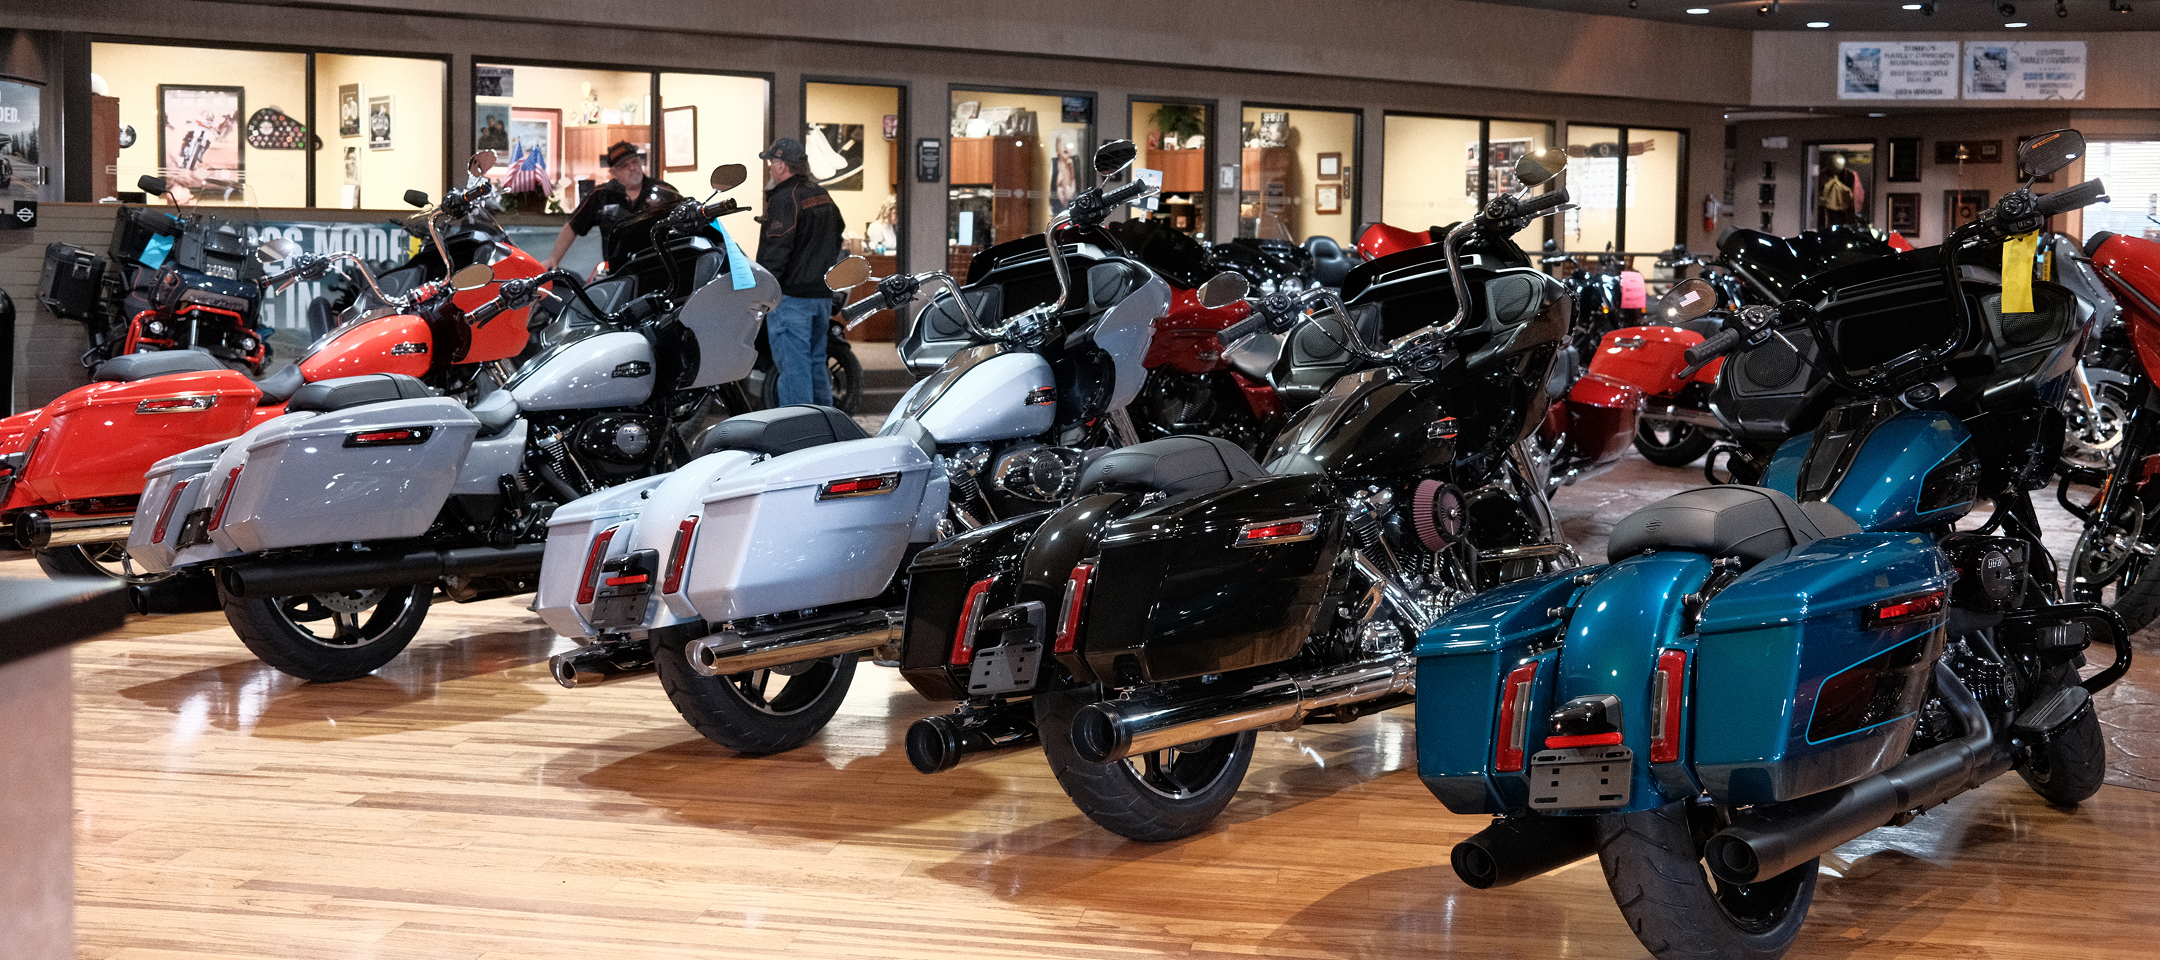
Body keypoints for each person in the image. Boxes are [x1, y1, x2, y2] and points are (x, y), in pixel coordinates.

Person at [756, 137, 845, 407]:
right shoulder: (821, 194)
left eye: (772, 163)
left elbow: (777, 250)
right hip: (821, 298)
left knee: (793, 370)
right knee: (817, 364)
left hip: (792, 301)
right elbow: (838, 233)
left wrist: (762, 291)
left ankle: (800, 435)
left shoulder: (786, 198)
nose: (770, 168)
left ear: (783, 166)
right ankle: (823, 428)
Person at [541, 140, 679, 272]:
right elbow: (573, 226)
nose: (632, 168)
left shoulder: (664, 191)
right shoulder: (601, 195)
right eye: (624, 165)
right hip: (618, 272)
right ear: (614, 173)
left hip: (659, 267)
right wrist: (554, 259)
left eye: (635, 162)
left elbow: (684, 221)